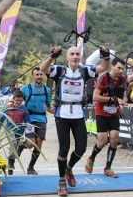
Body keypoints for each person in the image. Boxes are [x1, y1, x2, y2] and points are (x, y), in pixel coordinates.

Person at [40, 45, 110, 196]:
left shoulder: (85, 70)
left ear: (81, 57)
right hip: (62, 114)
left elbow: (104, 67)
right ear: (67, 57)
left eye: (77, 54)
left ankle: (69, 168)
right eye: (72, 54)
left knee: (81, 148)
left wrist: (106, 55)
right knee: (64, 149)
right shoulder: (59, 70)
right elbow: (43, 68)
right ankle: (61, 181)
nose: (75, 56)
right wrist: (52, 55)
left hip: (78, 114)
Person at [84, 58, 133, 178]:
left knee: (114, 138)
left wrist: (122, 103)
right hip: (101, 112)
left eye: (122, 68)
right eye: (118, 68)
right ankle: (91, 158)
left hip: (114, 113)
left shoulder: (123, 80)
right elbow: (95, 97)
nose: (121, 71)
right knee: (102, 140)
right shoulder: (103, 77)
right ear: (112, 66)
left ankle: (108, 167)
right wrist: (111, 99)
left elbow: (124, 97)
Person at [19, 67, 54, 175]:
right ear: (33, 76)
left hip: (42, 119)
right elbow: (17, 99)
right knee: (30, 144)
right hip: (29, 118)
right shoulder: (25, 88)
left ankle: (31, 168)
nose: (39, 76)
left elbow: (48, 106)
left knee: (39, 144)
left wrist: (53, 110)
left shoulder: (46, 90)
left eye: (41, 74)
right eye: (37, 75)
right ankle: (20, 147)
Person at [0, 90, 31, 175]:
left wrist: (28, 125)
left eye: (20, 101)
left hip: (19, 130)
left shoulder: (24, 109)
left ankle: (11, 162)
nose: (18, 102)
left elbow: (27, 119)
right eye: (17, 100)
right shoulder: (9, 108)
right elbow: (2, 118)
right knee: (13, 143)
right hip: (9, 130)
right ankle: (10, 162)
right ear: (13, 99)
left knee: (15, 146)